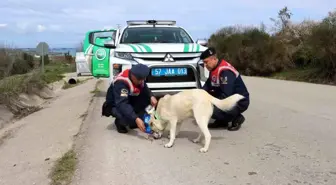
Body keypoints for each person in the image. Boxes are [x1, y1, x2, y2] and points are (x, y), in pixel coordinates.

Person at [200, 47, 250, 131]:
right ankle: (222, 121)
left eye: (206, 62)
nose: (204, 65)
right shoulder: (214, 68)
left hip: (239, 102)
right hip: (227, 97)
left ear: (214, 59)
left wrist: (209, 102)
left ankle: (237, 117)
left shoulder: (225, 71)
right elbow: (207, 86)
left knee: (209, 108)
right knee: (203, 103)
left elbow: (226, 95)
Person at [104, 64, 158, 133]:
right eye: (139, 80)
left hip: (129, 99)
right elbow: (123, 104)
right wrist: (136, 118)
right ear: (133, 76)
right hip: (116, 104)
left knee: (146, 108)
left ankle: (134, 120)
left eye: (143, 79)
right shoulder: (121, 83)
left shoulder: (138, 77)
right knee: (131, 119)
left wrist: (151, 96)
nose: (141, 82)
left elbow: (144, 87)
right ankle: (120, 122)